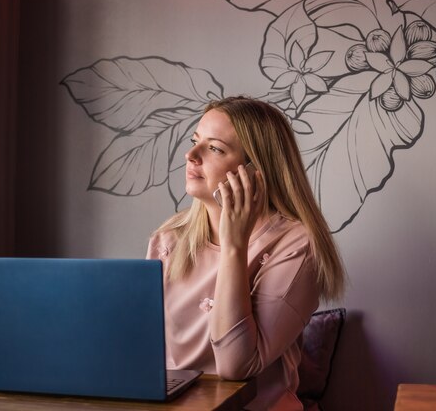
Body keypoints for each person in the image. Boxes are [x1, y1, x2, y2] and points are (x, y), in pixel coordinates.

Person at [146, 96, 345, 410]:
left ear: (256, 172)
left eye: (214, 148)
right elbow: (147, 351)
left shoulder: (297, 246)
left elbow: (235, 367)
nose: (190, 155)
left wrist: (234, 245)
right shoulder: (168, 239)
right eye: (195, 141)